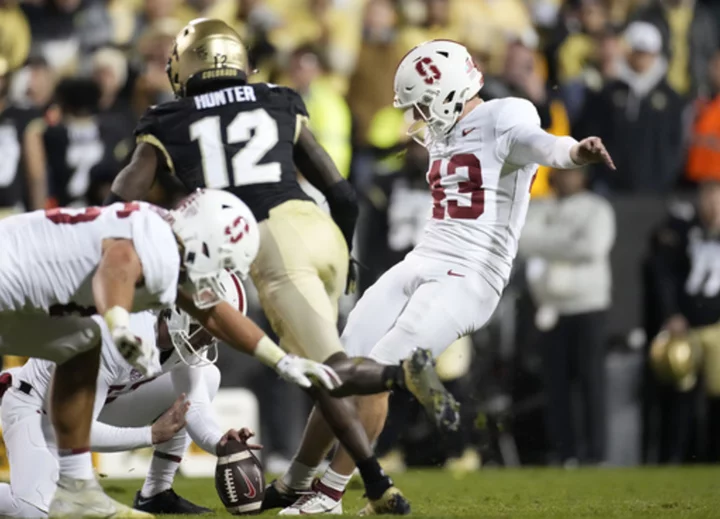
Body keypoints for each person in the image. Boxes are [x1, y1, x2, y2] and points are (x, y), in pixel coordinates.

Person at [106, 18, 458, 515]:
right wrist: (347, 253)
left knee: (326, 371)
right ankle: (301, 481)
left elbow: (121, 197)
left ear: (185, 67)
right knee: (322, 362)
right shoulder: (277, 97)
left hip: (268, 242)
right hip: (318, 225)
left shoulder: (167, 118)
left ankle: (377, 474)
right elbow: (342, 191)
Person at [276, 39, 615, 515]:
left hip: (471, 275)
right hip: (425, 258)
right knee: (340, 364)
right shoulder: (447, 130)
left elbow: (543, 146)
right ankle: (295, 479)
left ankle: (330, 494)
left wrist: (575, 152)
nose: (415, 115)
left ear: (447, 91)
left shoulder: (503, 114)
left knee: (378, 370)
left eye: (419, 103)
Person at [0, 189, 338, 518]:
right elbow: (117, 263)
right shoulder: (155, 251)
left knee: (202, 374)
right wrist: (118, 327)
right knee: (33, 510)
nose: (208, 339)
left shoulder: (173, 257)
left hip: (45, 322)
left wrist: (281, 361)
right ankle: (77, 486)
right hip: (32, 391)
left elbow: (214, 318)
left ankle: (142, 491)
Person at [0, 269, 255, 517]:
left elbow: (194, 402)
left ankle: (156, 493)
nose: (208, 341)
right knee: (32, 510)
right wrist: (151, 434)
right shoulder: (114, 335)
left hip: (104, 401)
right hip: (38, 409)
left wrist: (219, 444)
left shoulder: (179, 337)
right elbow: (78, 429)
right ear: (182, 313)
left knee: (209, 375)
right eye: (207, 331)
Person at [519, 166, 616, 465]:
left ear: (583, 176)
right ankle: (566, 454)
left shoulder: (597, 208)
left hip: (587, 307)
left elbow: (592, 247)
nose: (564, 177)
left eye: (571, 172)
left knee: (592, 384)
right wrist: (566, 242)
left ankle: (596, 454)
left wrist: (547, 244)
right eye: (560, 171)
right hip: (551, 309)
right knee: (556, 387)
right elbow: (523, 242)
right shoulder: (539, 206)